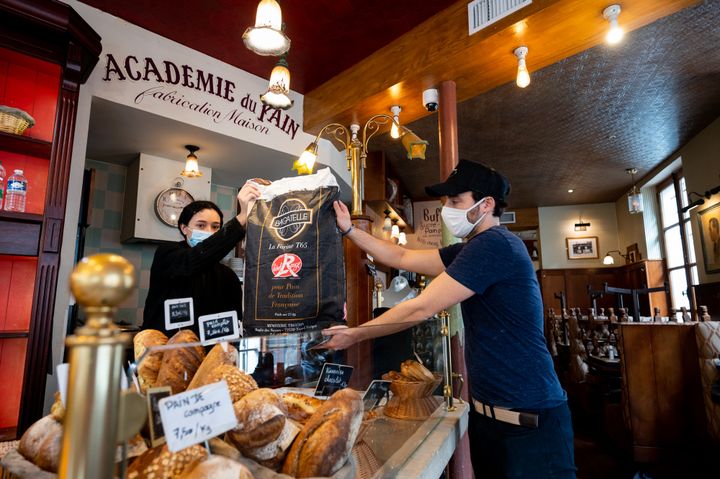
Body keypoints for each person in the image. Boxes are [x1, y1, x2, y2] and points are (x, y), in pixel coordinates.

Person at [322, 159, 575, 478]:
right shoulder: (470, 249)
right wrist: (348, 230)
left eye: (456, 201)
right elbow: (400, 256)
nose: (448, 209)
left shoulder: (497, 245)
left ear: (486, 205)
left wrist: (355, 334)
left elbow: (422, 307)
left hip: (529, 423)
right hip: (492, 419)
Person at [142, 181, 263, 337]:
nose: (209, 231)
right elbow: (194, 260)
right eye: (201, 225)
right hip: (163, 349)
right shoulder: (168, 255)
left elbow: (234, 323)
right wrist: (241, 218)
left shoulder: (228, 275)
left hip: (212, 354)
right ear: (184, 228)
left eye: (215, 227)